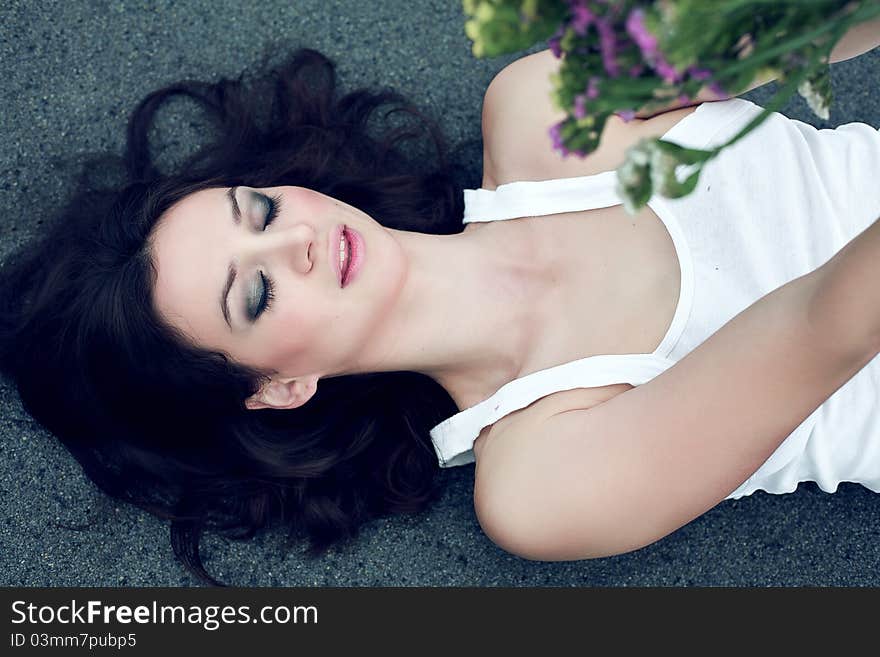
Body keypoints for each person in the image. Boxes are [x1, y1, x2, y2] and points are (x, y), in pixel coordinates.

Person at [0, 33, 878, 585]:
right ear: (277, 385)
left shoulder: (539, 103)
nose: (296, 240)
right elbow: (824, 328)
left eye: (259, 209)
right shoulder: (538, 483)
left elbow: (792, 21)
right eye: (256, 292)